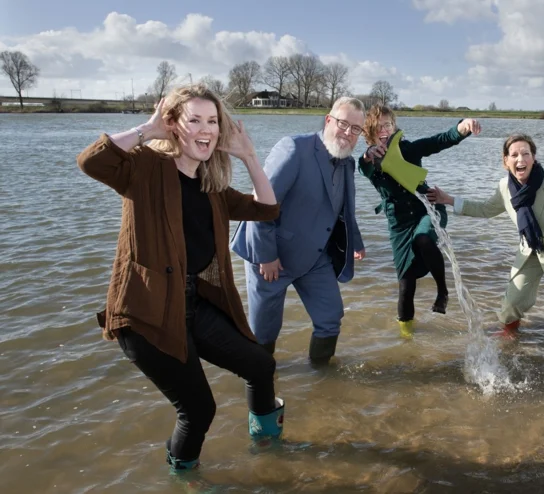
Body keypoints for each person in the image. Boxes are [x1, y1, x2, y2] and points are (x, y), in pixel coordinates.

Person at [76, 83, 284, 472]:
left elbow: (267, 209)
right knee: (199, 409)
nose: (206, 130)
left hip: (194, 304)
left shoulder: (212, 186)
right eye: (195, 120)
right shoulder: (144, 168)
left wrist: (249, 156)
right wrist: (147, 130)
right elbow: (91, 162)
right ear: (174, 124)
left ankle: (269, 446)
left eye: (213, 121)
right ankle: (183, 477)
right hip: (146, 315)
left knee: (260, 365)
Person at [427, 133, 544, 371]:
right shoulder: (505, 187)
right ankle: (510, 332)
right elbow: (485, 209)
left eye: (525, 154)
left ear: (534, 158)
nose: (520, 159)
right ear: (506, 161)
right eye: (514, 155)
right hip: (530, 251)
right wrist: (448, 199)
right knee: (512, 302)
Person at [230, 97, 366, 366]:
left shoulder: (347, 163)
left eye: (355, 129)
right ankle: (262, 379)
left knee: (331, 316)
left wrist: (356, 242)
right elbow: (260, 204)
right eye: (343, 124)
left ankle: (322, 376)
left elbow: (344, 209)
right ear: (328, 120)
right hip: (271, 257)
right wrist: (266, 256)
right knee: (265, 331)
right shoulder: (293, 148)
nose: (347, 133)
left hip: (315, 257)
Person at [358, 104, 481, 338]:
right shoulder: (368, 160)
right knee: (405, 284)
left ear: (394, 127)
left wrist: (462, 128)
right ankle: (406, 339)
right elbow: (364, 166)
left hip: (427, 208)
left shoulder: (409, 149)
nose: (385, 130)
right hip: (399, 223)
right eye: (379, 127)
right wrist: (369, 154)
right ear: (370, 133)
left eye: (388, 125)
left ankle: (442, 292)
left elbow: (438, 141)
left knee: (423, 238)